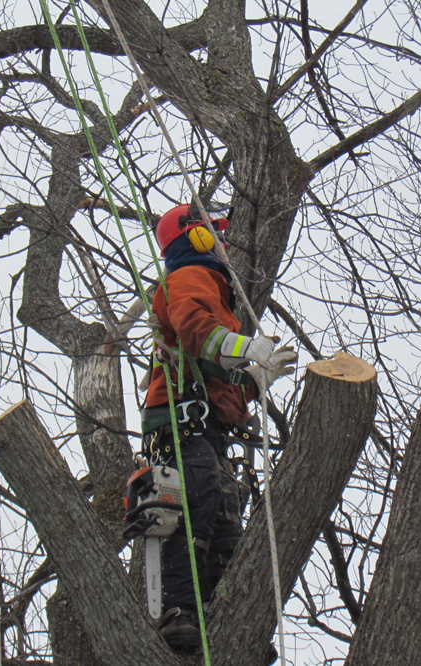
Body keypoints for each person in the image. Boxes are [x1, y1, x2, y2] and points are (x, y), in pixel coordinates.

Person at [140, 202, 295, 651]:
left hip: (206, 427)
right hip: (178, 418)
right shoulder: (187, 280)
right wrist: (247, 348)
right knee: (196, 500)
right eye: (216, 235)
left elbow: (220, 379)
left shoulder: (218, 294)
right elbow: (195, 332)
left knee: (227, 519)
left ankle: (226, 617)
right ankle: (178, 609)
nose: (224, 245)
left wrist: (252, 379)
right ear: (198, 239)